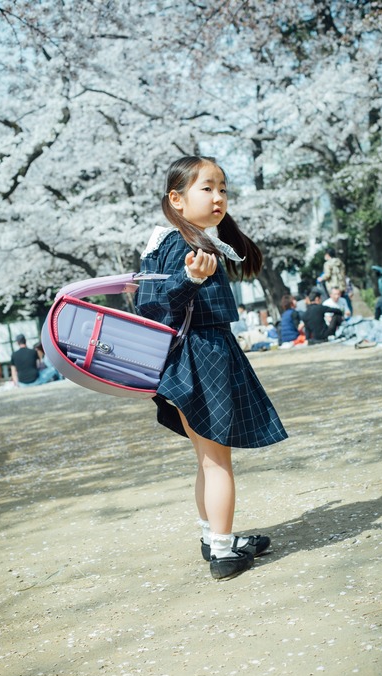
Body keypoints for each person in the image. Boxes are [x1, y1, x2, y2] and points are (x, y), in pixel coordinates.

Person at [134, 155, 288, 581]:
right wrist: (189, 280)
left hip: (193, 358)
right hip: (201, 357)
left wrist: (190, 280)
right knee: (218, 461)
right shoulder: (180, 244)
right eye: (207, 188)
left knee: (207, 458)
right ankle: (222, 550)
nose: (218, 196)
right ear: (176, 199)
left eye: (222, 188)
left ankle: (214, 536)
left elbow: (152, 302)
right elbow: (152, 306)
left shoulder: (183, 239)